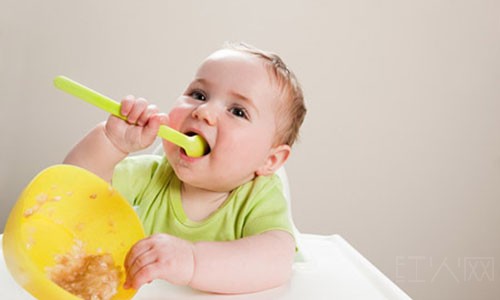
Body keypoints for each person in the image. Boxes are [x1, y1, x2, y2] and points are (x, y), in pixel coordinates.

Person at [63, 42, 307, 294]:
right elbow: (73, 191)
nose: (204, 111)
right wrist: (111, 142)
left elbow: (277, 260)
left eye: (237, 111)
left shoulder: (259, 197)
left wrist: (192, 261)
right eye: (199, 95)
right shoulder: (154, 175)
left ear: (270, 160)